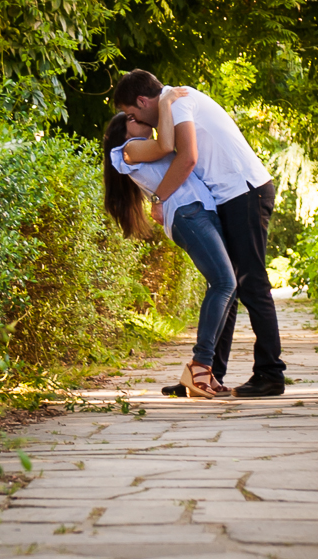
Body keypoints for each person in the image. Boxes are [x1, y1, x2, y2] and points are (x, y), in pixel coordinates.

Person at [113, 70, 287, 397]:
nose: (133, 120)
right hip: (230, 197)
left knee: (251, 284)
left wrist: (158, 199)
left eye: (131, 113)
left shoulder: (178, 103)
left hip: (244, 192)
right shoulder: (171, 106)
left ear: (142, 100)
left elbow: (188, 158)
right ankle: (205, 375)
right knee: (227, 286)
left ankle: (270, 374)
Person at [103, 88, 237, 398]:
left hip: (201, 211)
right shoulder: (127, 150)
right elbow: (165, 145)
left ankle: (203, 371)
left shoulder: (145, 145)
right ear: (123, 131)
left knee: (226, 287)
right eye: (132, 119)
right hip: (187, 215)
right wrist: (164, 101)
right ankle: (200, 367)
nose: (140, 120)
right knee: (224, 283)